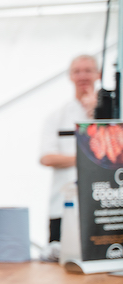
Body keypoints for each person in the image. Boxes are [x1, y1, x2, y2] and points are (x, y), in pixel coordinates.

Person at [39, 54, 100, 245]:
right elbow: (46, 157)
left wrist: (94, 114)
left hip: (101, 207)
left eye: (88, 70)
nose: (83, 76)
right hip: (62, 205)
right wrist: (87, 158)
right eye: (77, 71)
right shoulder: (56, 116)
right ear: (70, 76)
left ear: (98, 74)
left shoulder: (110, 116)